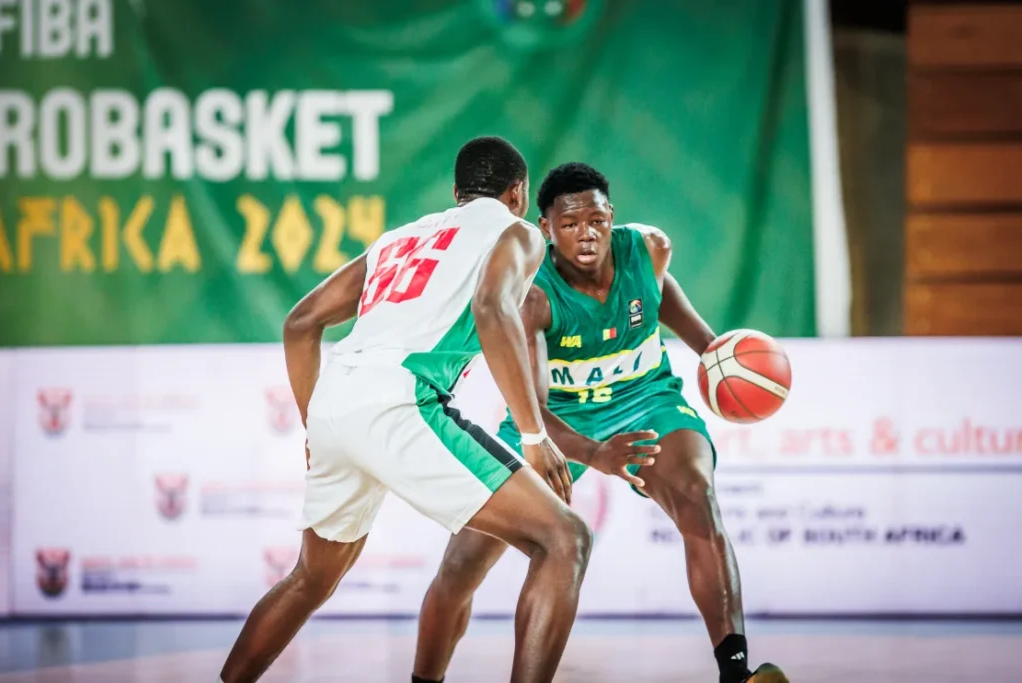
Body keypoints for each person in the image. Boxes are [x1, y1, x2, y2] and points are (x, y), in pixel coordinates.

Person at [220, 140, 631, 683]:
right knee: (565, 539)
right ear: (518, 194)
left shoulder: (399, 238)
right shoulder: (517, 231)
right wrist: (533, 432)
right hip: (401, 398)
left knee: (310, 579)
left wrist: (313, 427)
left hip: (336, 401)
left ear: (456, 194)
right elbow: (491, 308)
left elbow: (301, 323)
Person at [413, 163, 788, 683]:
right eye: (569, 225)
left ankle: (736, 672)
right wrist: (595, 454)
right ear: (546, 230)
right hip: (556, 423)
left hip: (647, 400)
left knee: (698, 497)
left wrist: (712, 351)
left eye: (596, 219)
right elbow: (535, 413)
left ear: (612, 216)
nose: (585, 233)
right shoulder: (533, 296)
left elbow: (657, 294)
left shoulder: (650, 249)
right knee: (461, 565)